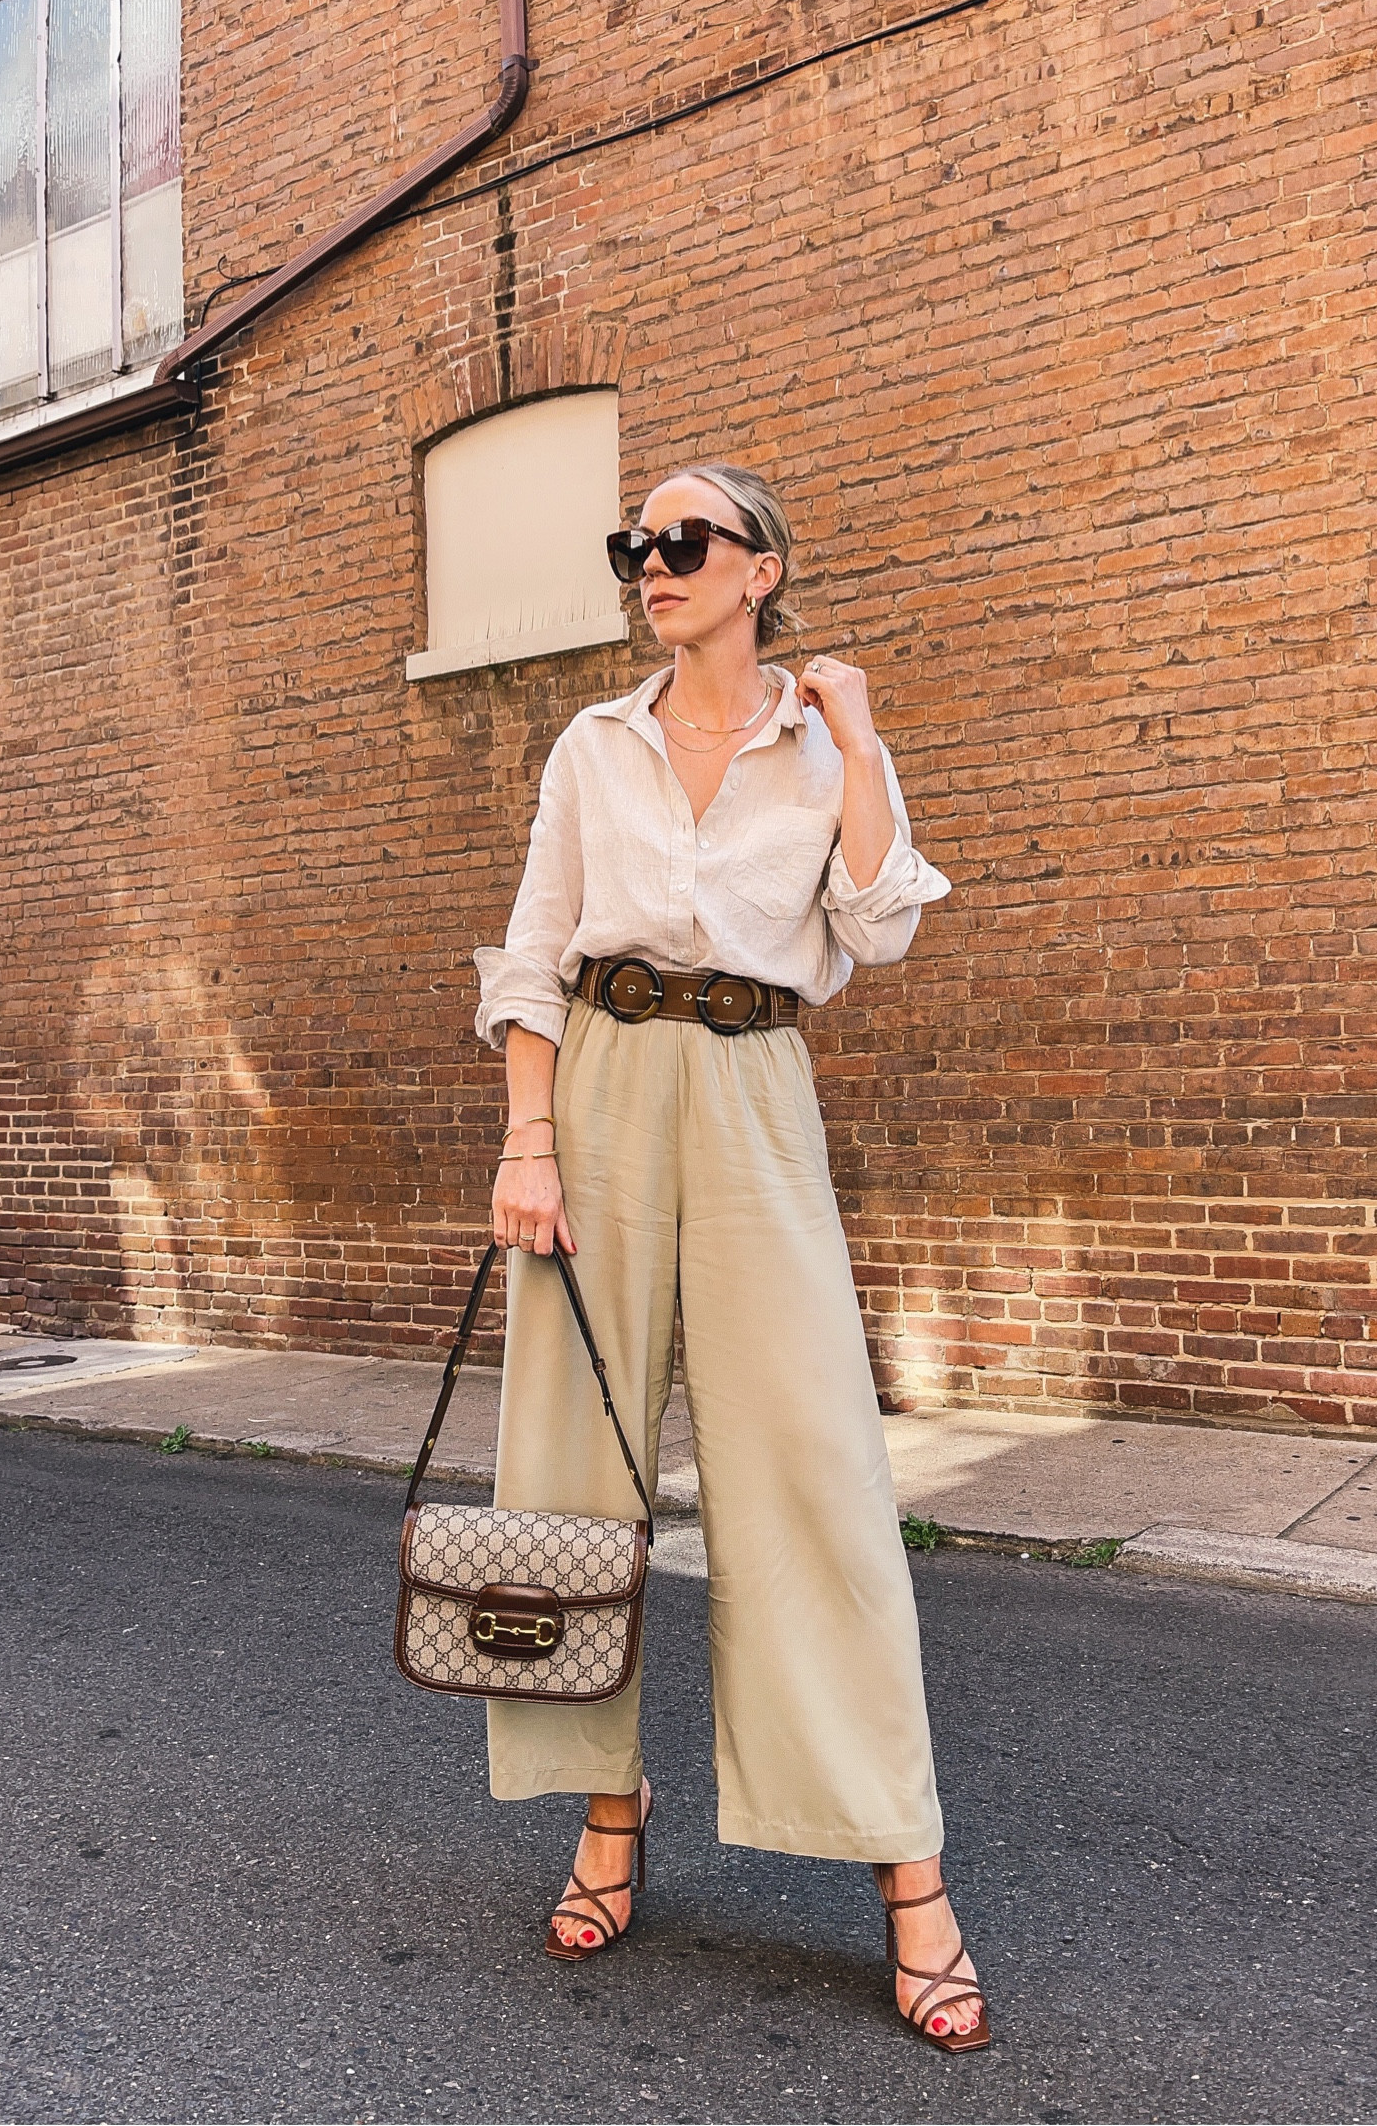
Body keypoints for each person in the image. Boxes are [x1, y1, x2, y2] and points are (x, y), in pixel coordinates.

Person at [472, 460, 988, 2052]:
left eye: (683, 539)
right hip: (603, 1097)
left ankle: (911, 1878)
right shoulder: (592, 742)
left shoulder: (820, 742)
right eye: (635, 541)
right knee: (568, 1473)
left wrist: (857, 733)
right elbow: (536, 941)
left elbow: (881, 918)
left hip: (757, 1091)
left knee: (814, 1477)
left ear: (759, 568)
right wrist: (529, 1138)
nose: (652, 561)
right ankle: (603, 1817)